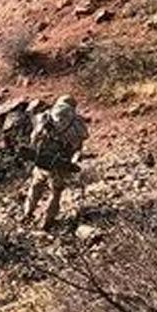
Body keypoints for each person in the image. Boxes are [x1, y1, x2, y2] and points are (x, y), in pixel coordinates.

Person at [24, 95, 89, 230]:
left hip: (43, 158)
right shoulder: (78, 123)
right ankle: (47, 221)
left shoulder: (46, 115)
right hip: (61, 162)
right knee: (56, 193)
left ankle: (28, 213)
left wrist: (35, 148)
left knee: (36, 185)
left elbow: (34, 136)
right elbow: (80, 143)